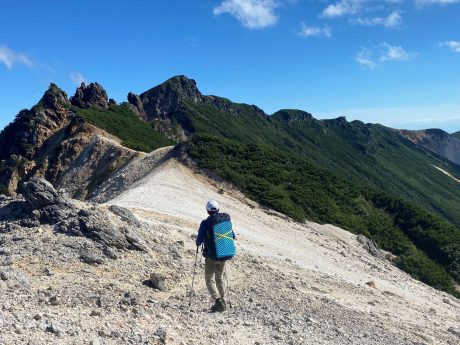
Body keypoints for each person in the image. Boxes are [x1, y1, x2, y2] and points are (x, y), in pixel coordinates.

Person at [196, 199, 235, 312]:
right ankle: (223, 300)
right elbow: (232, 236)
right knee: (220, 278)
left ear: (208, 211)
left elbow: (199, 241)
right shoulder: (225, 221)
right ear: (218, 209)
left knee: (209, 279)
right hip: (224, 254)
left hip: (211, 256)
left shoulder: (205, 223)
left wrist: (200, 242)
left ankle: (218, 302)